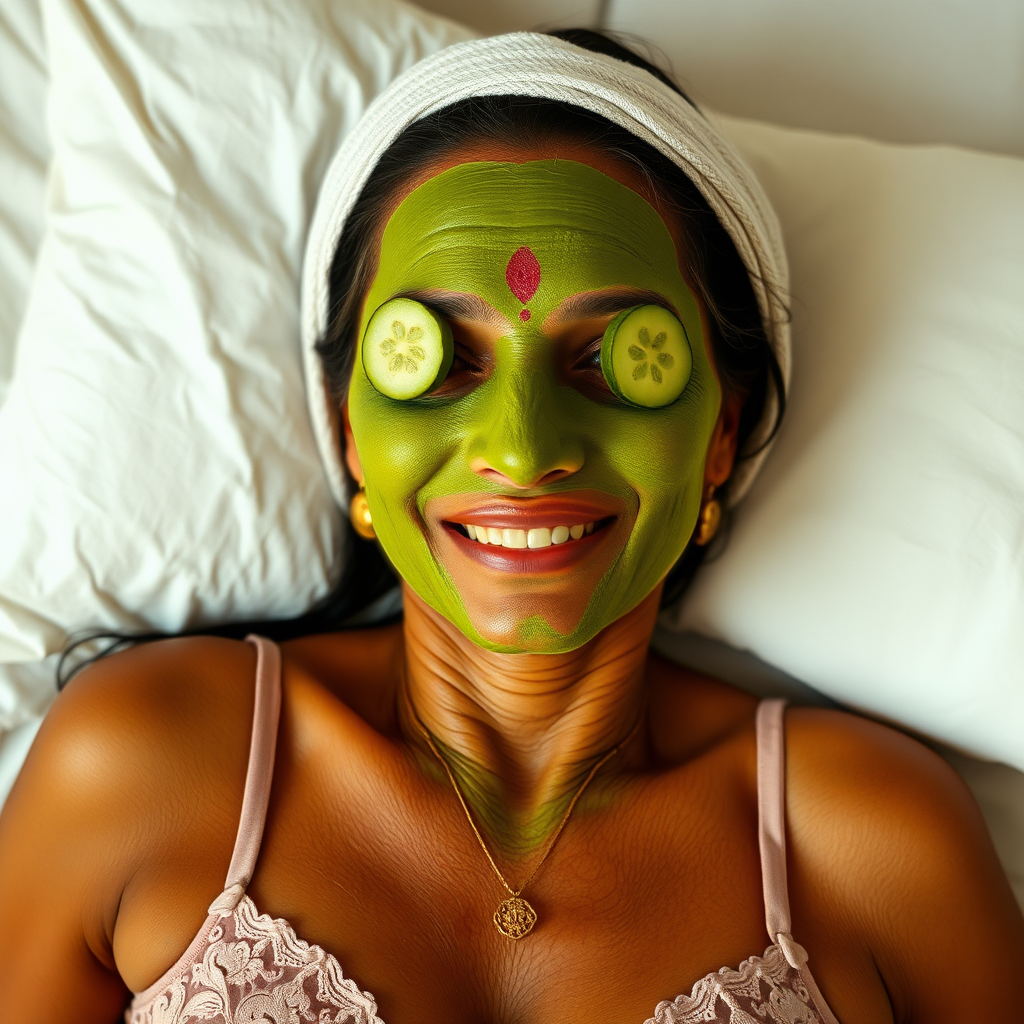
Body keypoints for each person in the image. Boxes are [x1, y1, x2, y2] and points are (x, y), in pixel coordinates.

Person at [0, 30, 1021, 1024]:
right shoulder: (144, 763)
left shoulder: (874, 847)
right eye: (438, 360)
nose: (525, 453)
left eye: (613, 360)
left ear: (721, 433)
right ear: (350, 430)